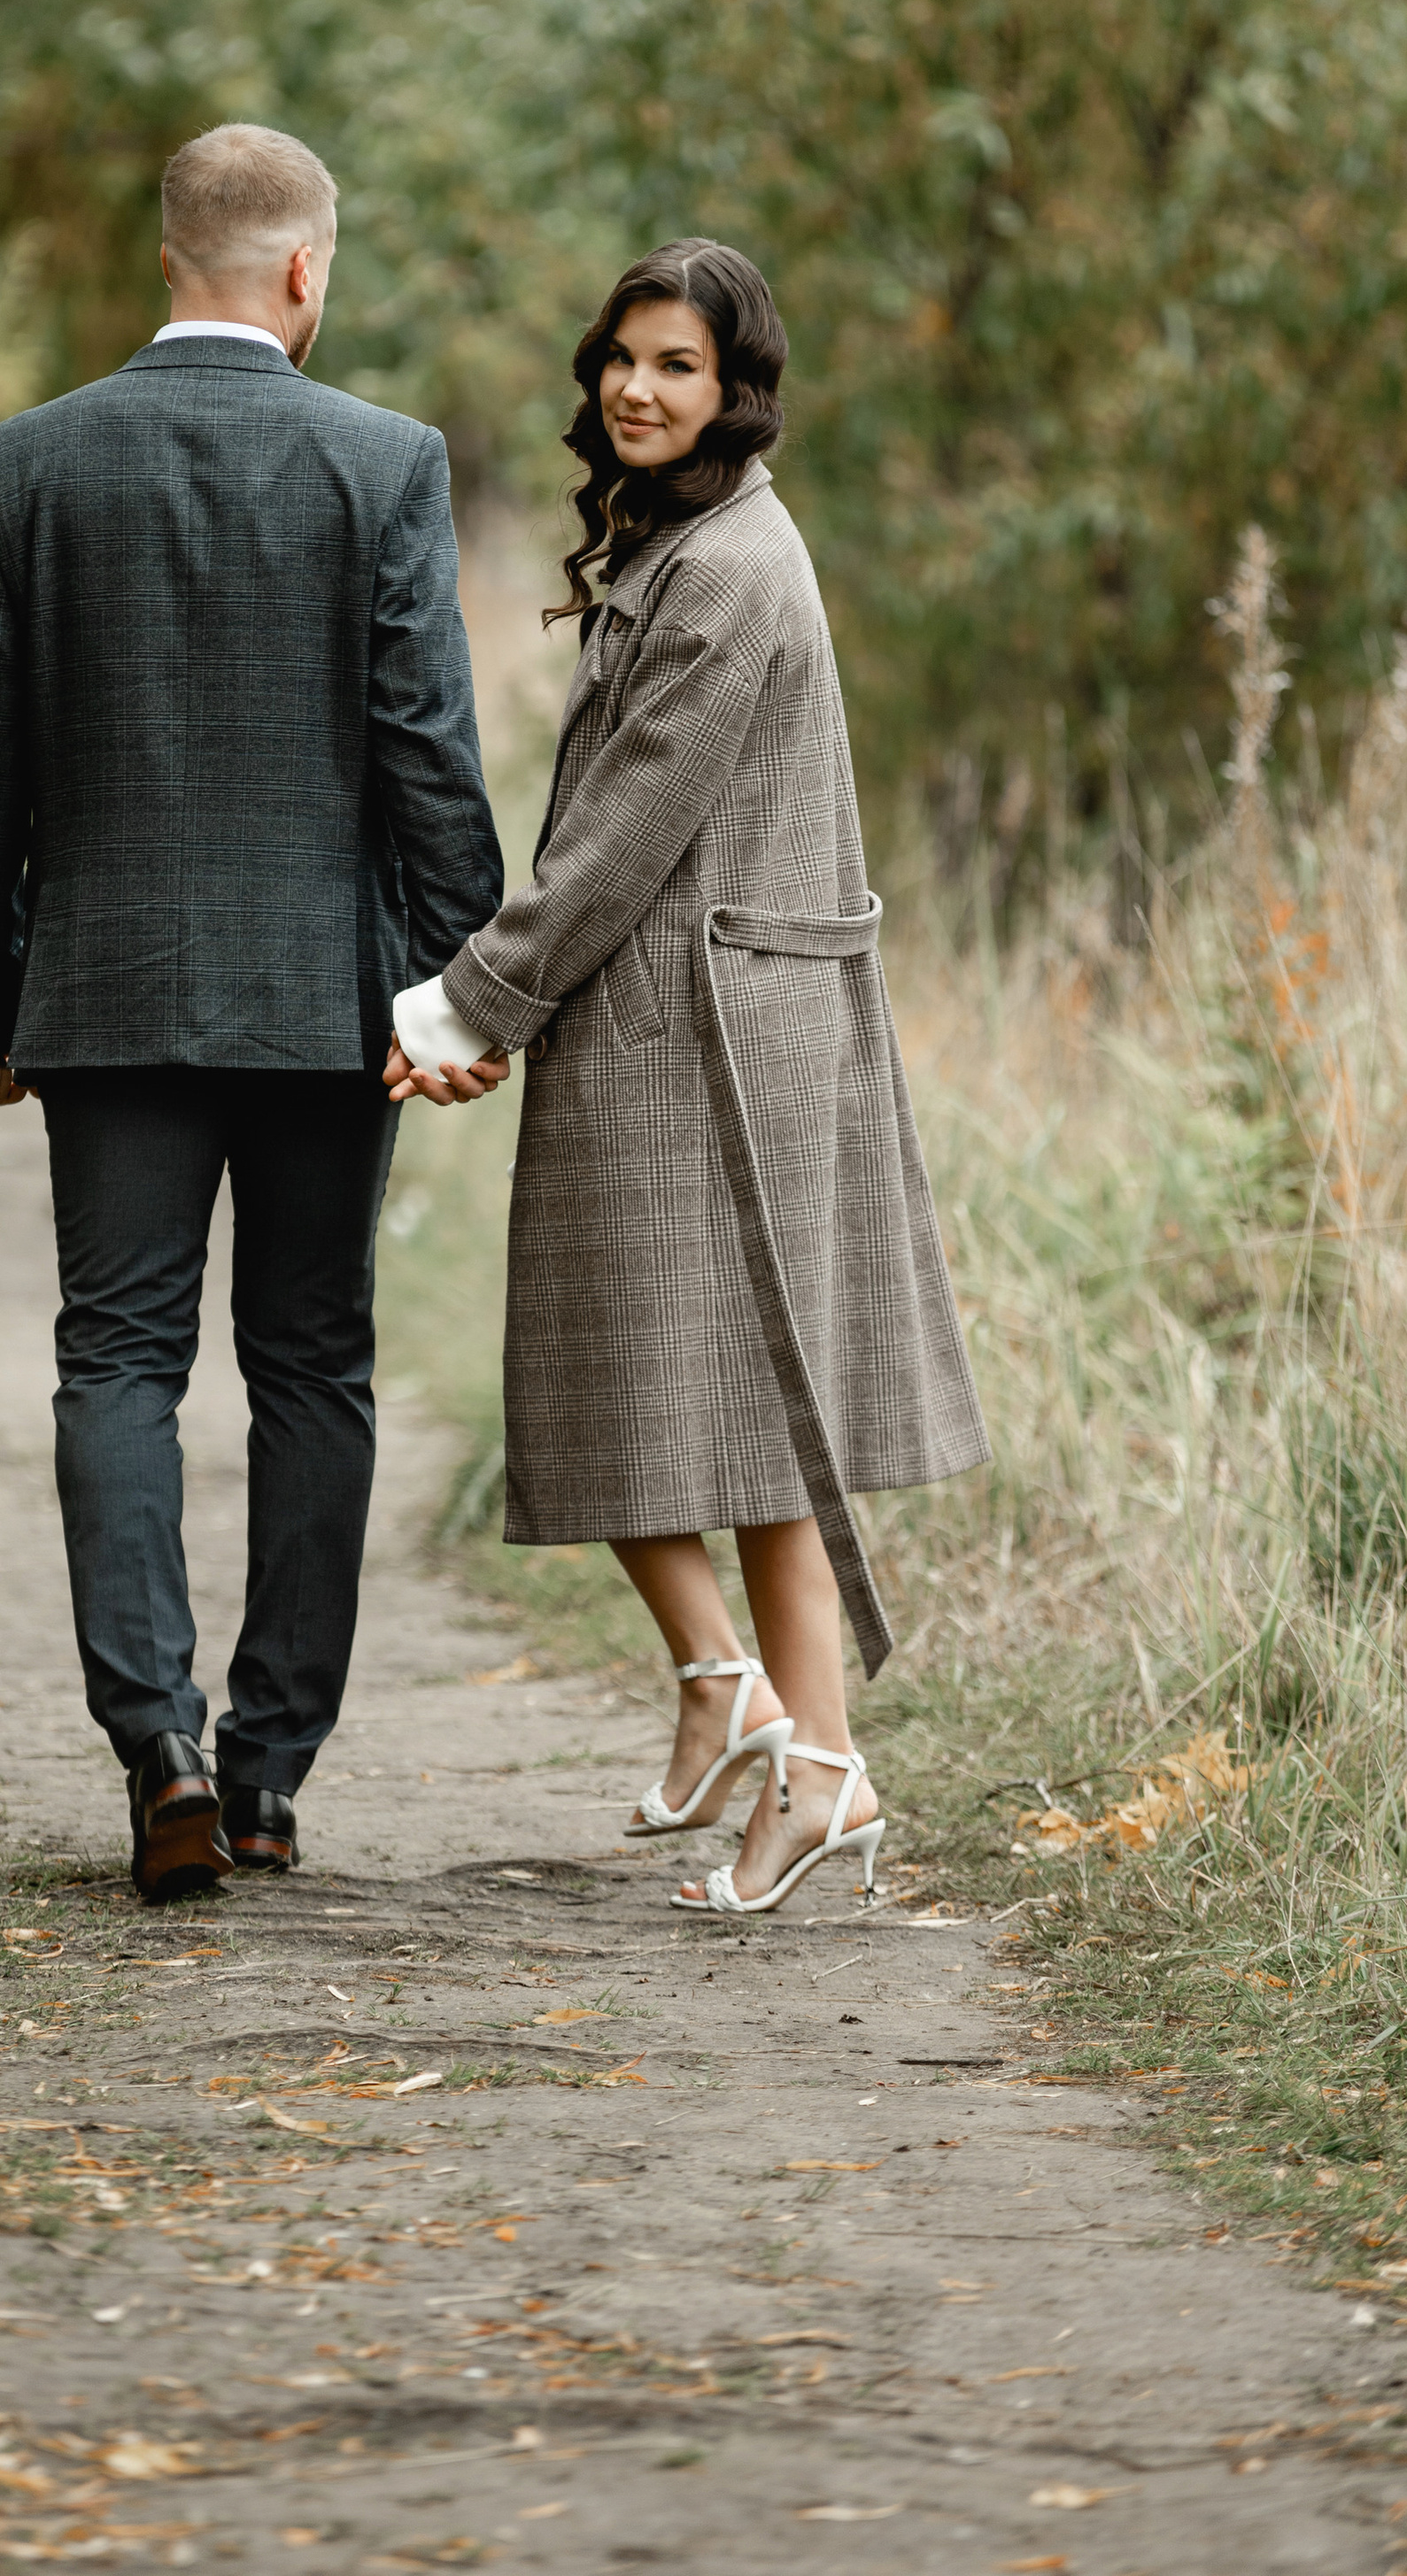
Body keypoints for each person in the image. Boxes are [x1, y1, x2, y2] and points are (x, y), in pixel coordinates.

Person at [0, 124, 502, 1904]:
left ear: (168, 260)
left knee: (116, 1356)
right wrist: (466, 981)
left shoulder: (27, 466)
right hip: (328, 1009)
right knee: (311, 1362)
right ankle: (261, 1780)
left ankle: (152, 1742)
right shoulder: (382, 463)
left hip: (97, 996)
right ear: (304, 273)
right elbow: (425, 753)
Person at [387, 238, 987, 1917]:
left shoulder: (732, 569)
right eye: (625, 360)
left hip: (719, 1045)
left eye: (680, 368)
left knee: (742, 1414)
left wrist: (470, 1001)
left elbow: (628, 826)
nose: (638, 391)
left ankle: (813, 1761)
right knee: (623, 1384)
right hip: (658, 1023)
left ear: (738, 391)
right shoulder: (686, 540)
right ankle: (747, 1704)